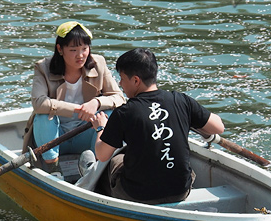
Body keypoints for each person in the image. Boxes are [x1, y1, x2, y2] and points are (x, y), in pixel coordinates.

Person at [88, 47, 225, 204]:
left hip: (138, 196)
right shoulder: (181, 101)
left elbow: (102, 155)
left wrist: (100, 127)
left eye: (122, 78)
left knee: (116, 159)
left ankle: (92, 182)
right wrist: (191, 118)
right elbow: (218, 127)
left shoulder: (125, 112)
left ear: (135, 80)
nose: (120, 84)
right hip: (180, 191)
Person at [21, 21, 125, 169]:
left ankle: (94, 166)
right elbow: (39, 103)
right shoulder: (43, 67)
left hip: (84, 132)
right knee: (43, 116)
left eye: (84, 48)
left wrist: (95, 103)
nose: (80, 55)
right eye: (73, 50)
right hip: (56, 136)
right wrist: (78, 109)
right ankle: (52, 167)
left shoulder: (98, 63)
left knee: (108, 113)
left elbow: (119, 97)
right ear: (60, 49)